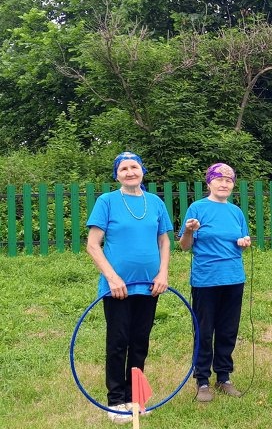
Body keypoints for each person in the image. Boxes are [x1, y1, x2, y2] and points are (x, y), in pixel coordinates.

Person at [86, 151, 173, 424]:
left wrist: (163, 273)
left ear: (142, 171)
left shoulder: (155, 202)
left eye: (134, 167)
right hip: (118, 288)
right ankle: (115, 402)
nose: (130, 172)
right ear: (117, 175)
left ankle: (135, 398)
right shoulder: (107, 201)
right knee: (118, 343)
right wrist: (112, 278)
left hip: (149, 286)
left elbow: (164, 241)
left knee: (139, 343)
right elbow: (93, 245)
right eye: (123, 169)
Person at [178, 163, 251, 402]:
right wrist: (189, 231)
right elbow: (184, 246)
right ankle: (202, 380)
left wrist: (244, 242)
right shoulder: (197, 208)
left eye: (229, 180)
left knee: (228, 330)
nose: (224, 184)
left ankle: (224, 377)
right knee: (204, 330)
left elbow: (242, 239)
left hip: (233, 278)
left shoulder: (236, 212)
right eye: (219, 179)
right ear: (209, 182)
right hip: (206, 279)